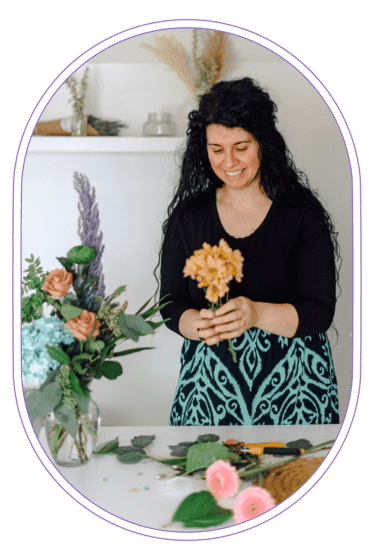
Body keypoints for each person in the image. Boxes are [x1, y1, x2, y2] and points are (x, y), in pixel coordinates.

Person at [158, 77, 340, 426]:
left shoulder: (301, 214)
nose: (229, 161)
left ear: (263, 144)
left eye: (241, 146)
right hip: (207, 392)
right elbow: (170, 302)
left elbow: (320, 311)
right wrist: (196, 324)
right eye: (217, 149)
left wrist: (255, 314)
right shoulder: (189, 215)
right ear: (204, 147)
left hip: (297, 393)